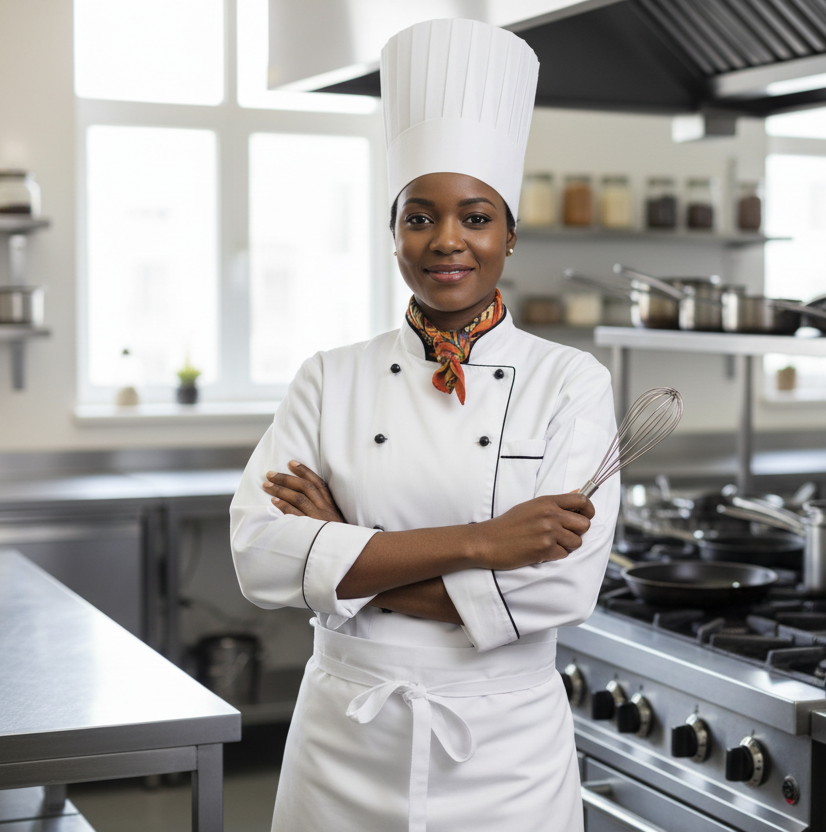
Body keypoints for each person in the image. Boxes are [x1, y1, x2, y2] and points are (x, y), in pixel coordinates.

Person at [229, 18, 619, 832]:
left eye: (475, 218)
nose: (447, 241)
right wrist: (483, 541)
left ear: (509, 233)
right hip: (344, 741)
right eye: (419, 217)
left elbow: (559, 586)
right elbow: (259, 556)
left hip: (504, 749)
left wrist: (340, 555)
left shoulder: (571, 382)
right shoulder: (329, 376)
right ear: (394, 232)